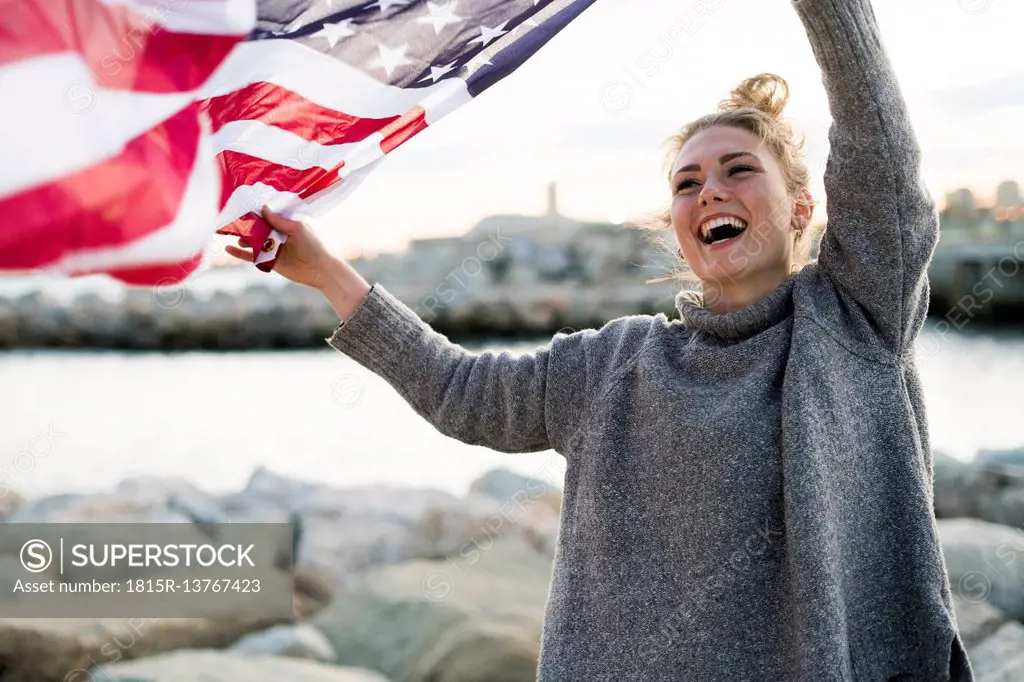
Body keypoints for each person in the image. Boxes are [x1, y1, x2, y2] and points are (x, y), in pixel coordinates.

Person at [226, 0, 973, 679]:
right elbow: (461, 391)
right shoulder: (615, 364)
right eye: (687, 183)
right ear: (677, 226)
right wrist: (328, 274)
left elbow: (880, 149)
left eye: (739, 170)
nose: (709, 190)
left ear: (804, 206)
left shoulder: (855, 320)